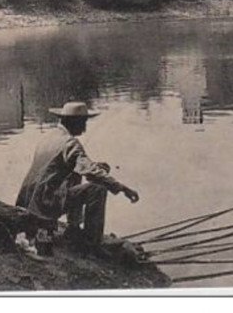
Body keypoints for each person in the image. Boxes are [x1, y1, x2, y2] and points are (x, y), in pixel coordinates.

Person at [15, 101, 140, 247]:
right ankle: (92, 243)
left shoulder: (49, 137)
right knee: (98, 188)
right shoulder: (70, 143)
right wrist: (122, 188)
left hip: (28, 202)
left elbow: (72, 167)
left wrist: (97, 167)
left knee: (80, 172)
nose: (85, 128)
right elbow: (90, 172)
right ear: (73, 122)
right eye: (83, 123)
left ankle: (73, 228)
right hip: (44, 205)